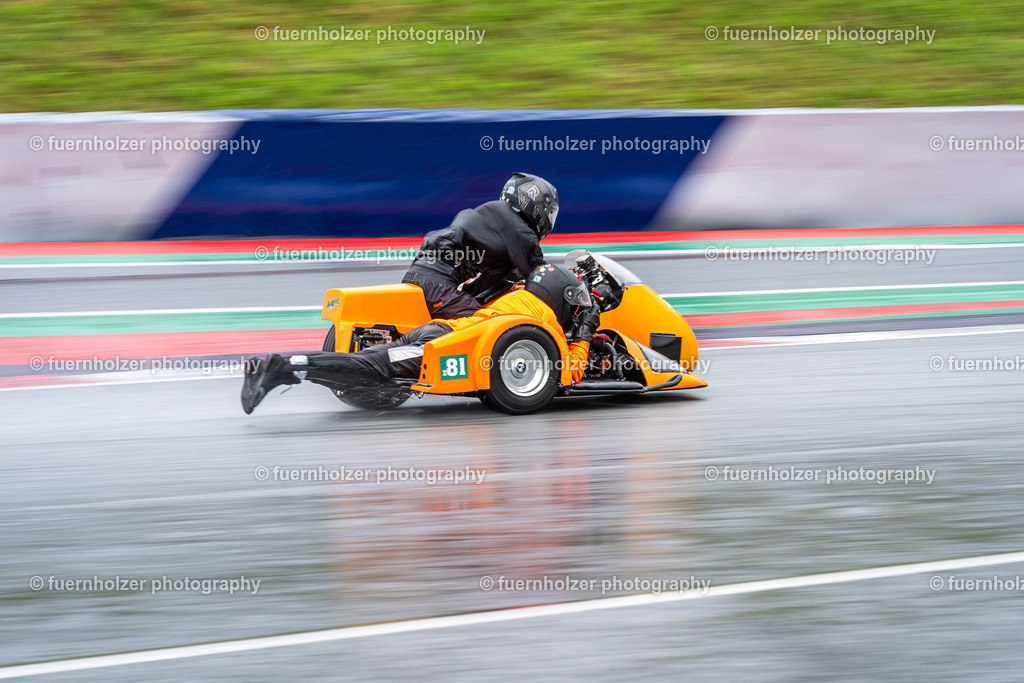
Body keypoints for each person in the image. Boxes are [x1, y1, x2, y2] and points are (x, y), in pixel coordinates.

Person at [241, 264, 599, 414]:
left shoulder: (518, 299)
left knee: (376, 369)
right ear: (561, 297)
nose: (577, 312)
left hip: (437, 332)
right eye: (576, 305)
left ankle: (283, 367)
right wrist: (585, 330)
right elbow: (569, 374)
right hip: (438, 345)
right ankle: (282, 366)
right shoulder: (543, 320)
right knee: (374, 365)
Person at [401, 172, 558, 320]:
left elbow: (491, 279)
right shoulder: (521, 232)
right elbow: (542, 277)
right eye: (549, 212)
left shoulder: (493, 216)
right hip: (439, 284)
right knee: (489, 328)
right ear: (535, 204)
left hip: (417, 275)